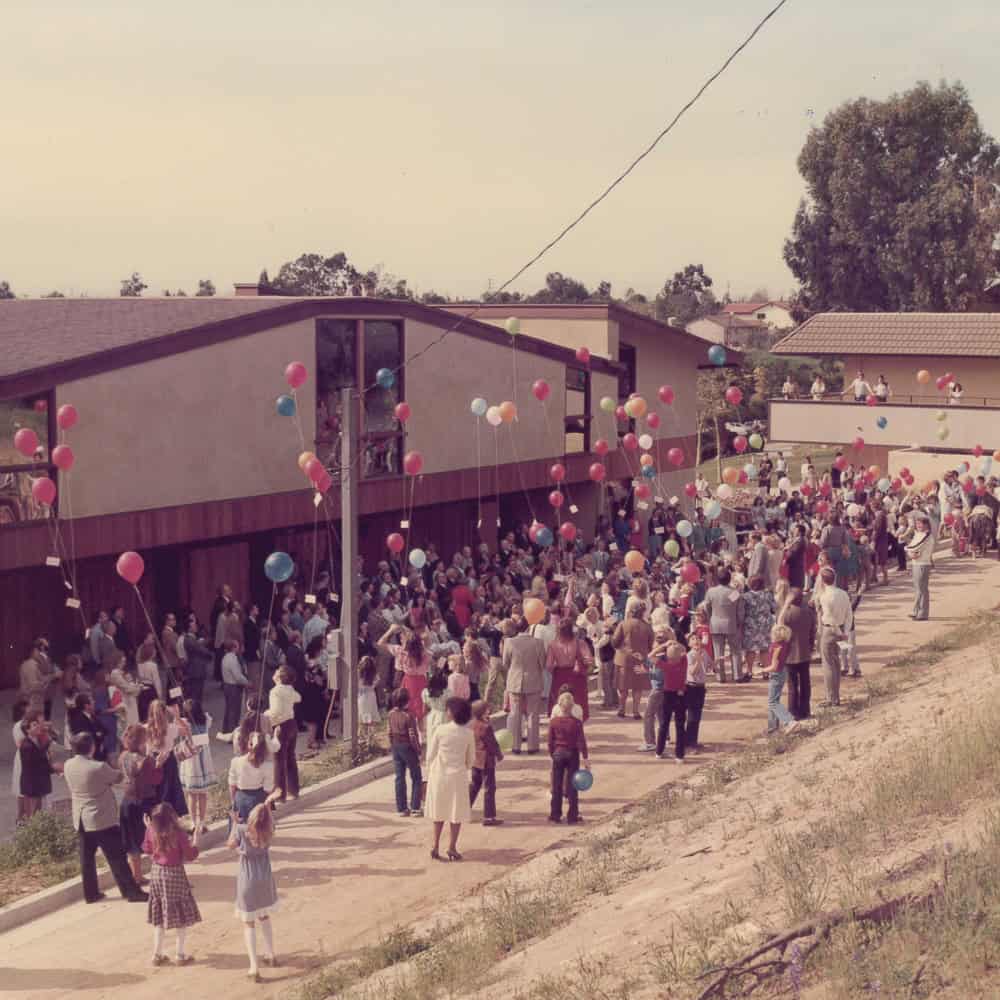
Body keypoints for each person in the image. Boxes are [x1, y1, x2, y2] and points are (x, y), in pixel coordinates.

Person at [62, 731, 148, 905]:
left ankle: (91, 894)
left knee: (86, 859)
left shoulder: (68, 764)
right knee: (117, 857)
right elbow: (118, 777)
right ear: (92, 747)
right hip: (101, 818)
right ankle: (131, 892)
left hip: (81, 818)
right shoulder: (98, 767)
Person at [143, 802, 201, 966]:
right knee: (180, 915)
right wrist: (196, 841)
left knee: (159, 914)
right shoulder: (179, 833)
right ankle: (180, 954)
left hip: (156, 873)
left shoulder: (151, 830)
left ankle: (157, 954)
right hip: (175, 874)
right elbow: (190, 855)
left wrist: (148, 828)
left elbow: (147, 849)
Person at [228, 802, 279, 982]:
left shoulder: (242, 830)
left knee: (248, 922)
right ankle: (271, 954)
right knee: (264, 917)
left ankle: (254, 967)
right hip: (264, 878)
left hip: (247, 880)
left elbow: (230, 845)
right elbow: (265, 823)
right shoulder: (270, 831)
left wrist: (235, 823)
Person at [119, 723, 169, 885]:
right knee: (153, 838)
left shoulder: (123, 756)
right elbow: (155, 780)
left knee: (133, 842)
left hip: (127, 802)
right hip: (145, 803)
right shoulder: (146, 760)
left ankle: (137, 876)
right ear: (141, 742)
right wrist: (160, 764)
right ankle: (161, 871)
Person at [426, 697, 474, 861]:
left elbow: (430, 755)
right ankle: (452, 847)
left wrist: (430, 770)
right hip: (458, 776)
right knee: (456, 813)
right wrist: (462, 767)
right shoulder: (468, 734)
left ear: (452, 713)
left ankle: (435, 845)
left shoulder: (440, 730)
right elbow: (470, 760)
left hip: (439, 774)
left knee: (439, 812)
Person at [502, 619, 546, 754]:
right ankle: (533, 746)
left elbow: (505, 662)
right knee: (533, 714)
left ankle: (516, 746)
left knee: (515, 714)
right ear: (529, 628)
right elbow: (542, 663)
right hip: (533, 679)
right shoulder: (537, 642)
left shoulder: (509, 642)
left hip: (515, 680)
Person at [547, 690, 589, 824]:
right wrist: (586, 758)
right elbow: (581, 741)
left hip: (558, 754)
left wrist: (552, 754)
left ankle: (555, 815)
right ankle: (572, 815)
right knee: (572, 786)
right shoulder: (576, 723)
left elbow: (549, 741)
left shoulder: (553, 722)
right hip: (572, 754)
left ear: (559, 706)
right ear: (572, 706)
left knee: (557, 785)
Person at [179, 699, 216, 839]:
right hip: (205, 760)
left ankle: (194, 822)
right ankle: (202, 822)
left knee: (192, 795)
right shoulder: (206, 719)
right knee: (202, 794)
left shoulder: (185, 723)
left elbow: (180, 728)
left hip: (191, 762)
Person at [700, 568, 744, 683]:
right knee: (735, 650)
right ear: (729, 579)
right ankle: (737, 676)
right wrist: (740, 622)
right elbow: (739, 610)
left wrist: (711, 618)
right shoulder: (734, 592)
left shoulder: (711, 591)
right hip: (731, 623)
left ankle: (720, 677)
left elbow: (707, 607)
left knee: (718, 651)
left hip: (715, 623)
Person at [612, 598, 653, 720]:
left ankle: (621, 710)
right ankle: (636, 712)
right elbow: (651, 645)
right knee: (637, 687)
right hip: (640, 659)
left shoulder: (623, 624)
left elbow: (615, 642)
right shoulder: (647, 626)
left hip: (623, 658)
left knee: (623, 687)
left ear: (630, 611)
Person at [816, 567, 851, 707]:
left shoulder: (824, 596)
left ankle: (832, 698)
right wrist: (845, 631)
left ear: (823, 580)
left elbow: (829, 617)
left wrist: (838, 631)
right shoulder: (843, 593)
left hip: (830, 629)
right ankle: (835, 696)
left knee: (828, 665)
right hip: (842, 627)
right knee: (836, 663)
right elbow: (849, 613)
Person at [18, 709, 62, 819]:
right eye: (34, 725)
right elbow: (36, 765)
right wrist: (54, 768)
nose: (38, 726)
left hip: (37, 782)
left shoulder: (36, 739)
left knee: (38, 812)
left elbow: (44, 751)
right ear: (27, 730)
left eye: (38, 724)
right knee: (32, 815)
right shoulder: (26, 745)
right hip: (31, 784)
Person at [545, 619, 592, 721]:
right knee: (578, 702)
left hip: (559, 676)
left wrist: (554, 670)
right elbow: (589, 660)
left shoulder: (553, 645)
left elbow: (548, 665)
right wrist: (580, 663)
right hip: (576, 676)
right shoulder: (580, 643)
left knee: (560, 702)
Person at [388, 687, 423, 818]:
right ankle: (415, 807)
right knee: (416, 777)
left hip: (396, 747)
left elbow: (389, 732)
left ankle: (401, 808)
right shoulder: (409, 716)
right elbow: (413, 736)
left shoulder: (390, 714)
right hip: (407, 746)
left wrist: (393, 746)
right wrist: (418, 750)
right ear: (406, 701)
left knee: (399, 777)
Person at [268, 666, 301, 803]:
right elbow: (298, 698)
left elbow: (275, 711)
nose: (274, 673)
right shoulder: (290, 689)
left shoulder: (275, 691)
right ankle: (294, 790)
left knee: (279, 760)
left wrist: (266, 714)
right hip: (292, 723)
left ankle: (279, 794)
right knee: (290, 757)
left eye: (276, 671)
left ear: (280, 676)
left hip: (280, 726)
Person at [228, 730, 277, 823]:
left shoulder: (235, 761)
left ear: (248, 744)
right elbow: (268, 790)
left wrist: (233, 804)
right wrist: (268, 812)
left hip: (240, 800)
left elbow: (232, 786)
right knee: (258, 832)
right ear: (264, 748)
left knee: (239, 831)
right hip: (258, 800)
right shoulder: (268, 766)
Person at [469, 700, 503, 826]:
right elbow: (492, 744)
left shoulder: (472, 724)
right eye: (486, 710)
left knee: (474, 786)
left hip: (475, 760)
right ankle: (489, 817)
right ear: (481, 713)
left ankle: (464, 810)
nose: (489, 712)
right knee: (490, 788)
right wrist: (499, 755)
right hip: (486, 761)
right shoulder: (486, 727)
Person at [782, 589, 815, 720]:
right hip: (805, 651)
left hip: (789, 654)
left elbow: (779, 628)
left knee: (792, 685)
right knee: (805, 682)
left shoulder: (786, 613)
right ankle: (805, 710)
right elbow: (813, 631)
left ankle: (793, 711)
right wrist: (811, 646)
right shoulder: (808, 612)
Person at [654, 640, 687, 762]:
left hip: (668, 694)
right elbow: (685, 649)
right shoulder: (683, 662)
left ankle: (659, 751)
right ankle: (679, 755)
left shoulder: (666, 665)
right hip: (681, 694)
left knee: (664, 723)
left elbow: (650, 656)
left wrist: (664, 645)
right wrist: (676, 643)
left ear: (667, 656)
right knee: (680, 725)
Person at [766, 624, 797, 733]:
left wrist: (761, 671)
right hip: (783, 672)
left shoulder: (776, 647)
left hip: (776, 674)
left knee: (772, 702)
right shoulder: (786, 644)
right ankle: (772, 727)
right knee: (775, 699)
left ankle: (789, 721)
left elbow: (773, 667)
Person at [302, 636, 330, 749]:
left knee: (318, 715)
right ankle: (312, 740)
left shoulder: (307, 659)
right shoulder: (315, 663)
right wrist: (325, 687)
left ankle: (317, 737)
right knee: (314, 716)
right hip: (314, 691)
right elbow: (321, 675)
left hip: (313, 690)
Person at [905, 515, 934, 621]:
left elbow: (914, 547)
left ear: (926, 524)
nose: (919, 526)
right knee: (918, 589)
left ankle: (922, 613)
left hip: (923, 564)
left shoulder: (926, 535)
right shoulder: (918, 534)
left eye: (921, 523)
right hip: (916, 563)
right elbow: (912, 546)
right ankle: (917, 611)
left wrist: (907, 549)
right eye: (917, 524)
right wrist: (909, 553)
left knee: (922, 589)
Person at [684, 634, 709, 749]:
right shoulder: (689, 655)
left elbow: (712, 666)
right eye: (693, 639)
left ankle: (693, 740)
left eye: (698, 639)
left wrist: (720, 661)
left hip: (701, 687)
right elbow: (692, 672)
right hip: (691, 687)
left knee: (697, 715)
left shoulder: (704, 653)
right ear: (689, 644)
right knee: (692, 715)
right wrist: (698, 660)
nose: (696, 641)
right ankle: (689, 741)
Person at [220, 639, 248, 739]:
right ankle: (232, 734)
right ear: (233, 648)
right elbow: (238, 676)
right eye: (237, 646)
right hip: (233, 687)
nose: (239, 648)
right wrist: (247, 683)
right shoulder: (232, 659)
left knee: (229, 710)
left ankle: (226, 731)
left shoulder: (225, 658)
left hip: (227, 685)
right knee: (234, 711)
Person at [422, 669, 449, 750]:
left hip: (431, 717)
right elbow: (450, 708)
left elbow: (424, 709)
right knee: (443, 742)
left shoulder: (425, 692)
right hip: (444, 717)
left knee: (432, 741)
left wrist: (424, 722)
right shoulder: (448, 693)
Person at [357, 655, 380, 737]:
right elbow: (377, 682)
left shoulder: (358, 674)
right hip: (371, 695)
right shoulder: (374, 675)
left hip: (361, 697)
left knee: (362, 719)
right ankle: (370, 738)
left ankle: (362, 737)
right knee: (371, 718)